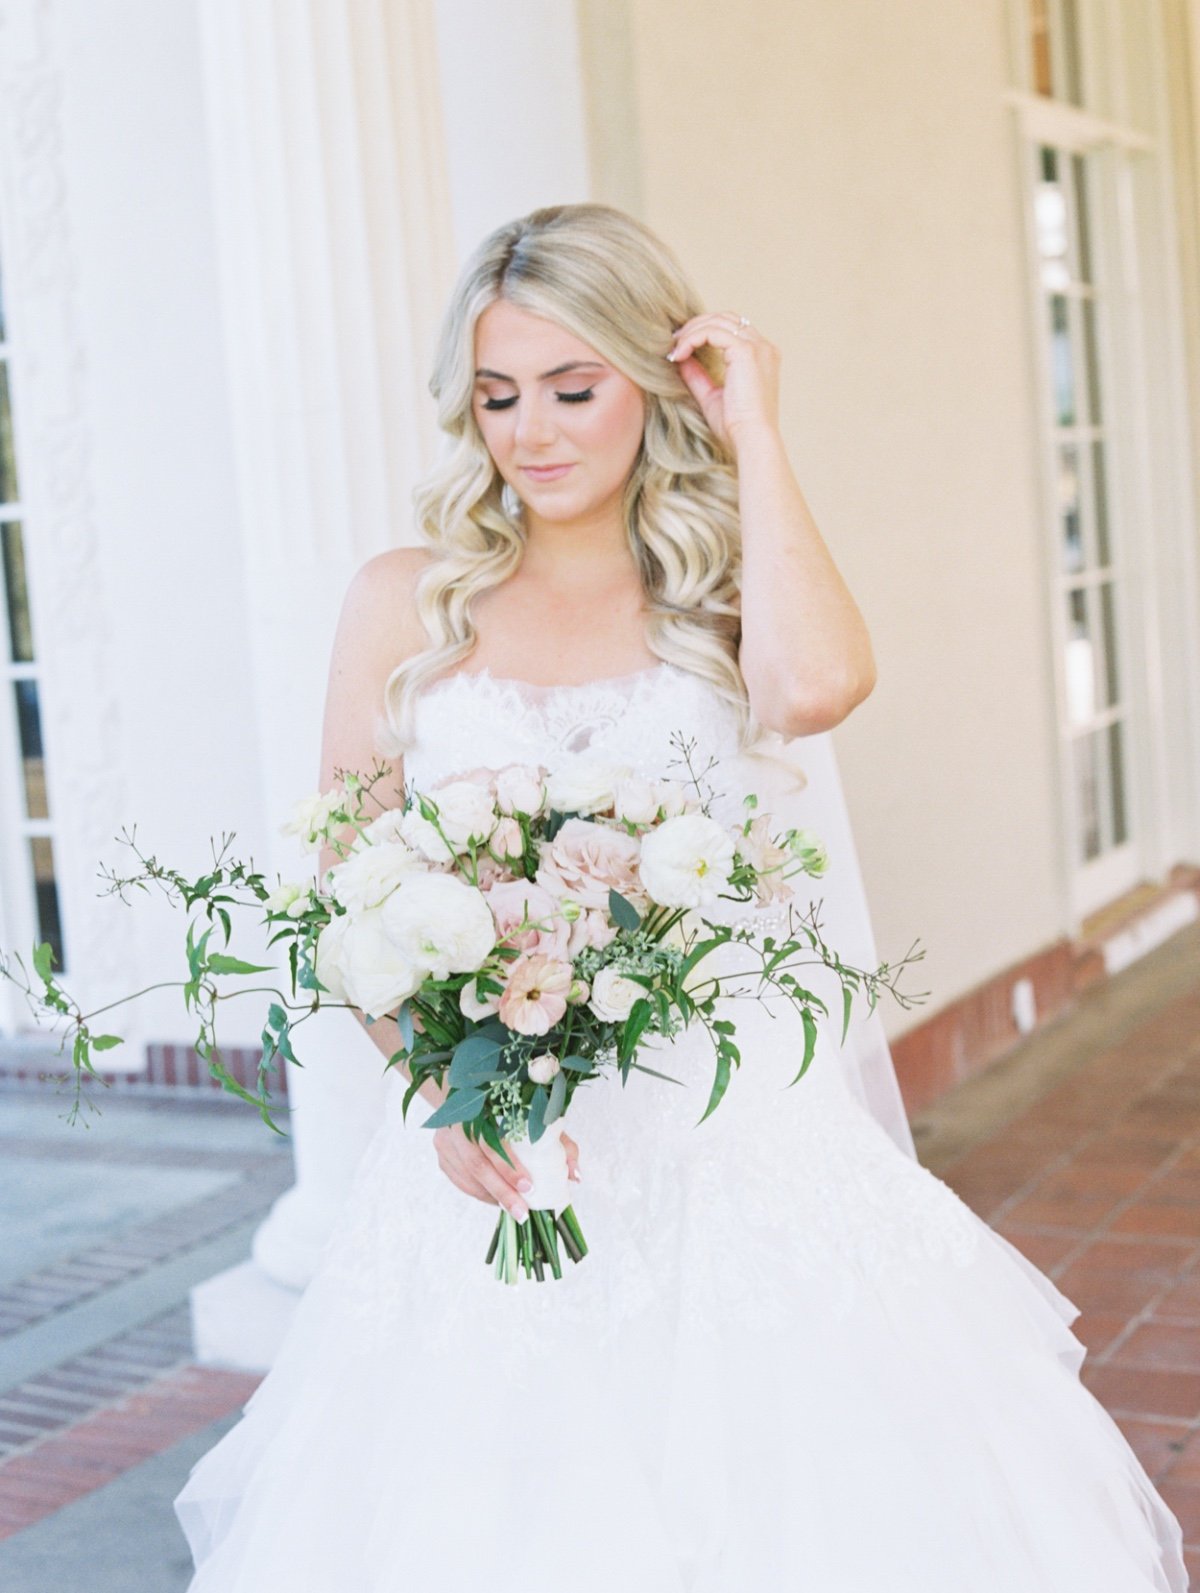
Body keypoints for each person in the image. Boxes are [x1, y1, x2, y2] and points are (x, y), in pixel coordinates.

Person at [174, 202, 1187, 1590]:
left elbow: (817, 685)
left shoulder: (721, 597)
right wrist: (440, 1088)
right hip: (512, 1161)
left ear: (652, 383)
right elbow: (349, 897)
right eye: (497, 394)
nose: (531, 431)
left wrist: (754, 430)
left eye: (574, 389)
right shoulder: (408, 601)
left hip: (737, 1153)